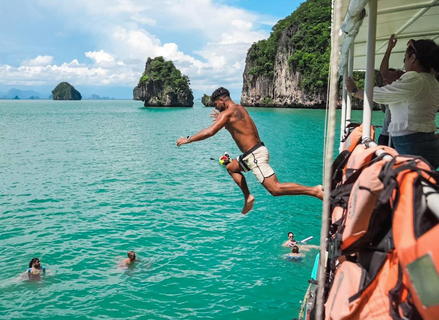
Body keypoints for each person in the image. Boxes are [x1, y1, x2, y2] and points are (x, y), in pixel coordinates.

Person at [176, 87, 323, 214]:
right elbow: (238, 127)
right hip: (252, 154)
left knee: (275, 189)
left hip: (255, 155)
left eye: (216, 104)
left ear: (221, 100)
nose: (216, 107)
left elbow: (209, 132)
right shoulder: (239, 108)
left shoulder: (227, 114)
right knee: (231, 168)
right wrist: (222, 119)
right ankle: (248, 197)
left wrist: (188, 139)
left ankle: (314, 191)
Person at [346, 38, 439, 169]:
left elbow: (380, 95)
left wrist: (354, 91)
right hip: (422, 142)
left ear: (412, 58)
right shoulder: (432, 81)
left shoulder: (415, 79)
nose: (405, 63)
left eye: (404, 59)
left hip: (412, 144)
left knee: (409, 182)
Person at [377, 34, 405, 147]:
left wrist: (354, 90)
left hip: (393, 136)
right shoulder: (389, 95)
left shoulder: (401, 91)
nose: (385, 81)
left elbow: (383, 72)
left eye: (388, 79)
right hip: (387, 135)